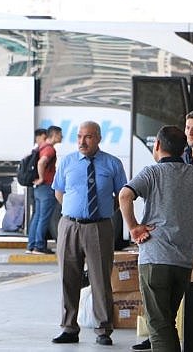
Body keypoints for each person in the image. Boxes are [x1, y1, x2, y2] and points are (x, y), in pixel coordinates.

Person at [119, 126, 193, 352]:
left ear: (157, 146)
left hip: (155, 258)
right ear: (183, 149)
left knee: (158, 324)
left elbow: (125, 195)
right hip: (183, 261)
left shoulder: (152, 173)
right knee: (166, 321)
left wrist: (133, 227)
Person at [51, 121, 127, 346]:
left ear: (99, 138)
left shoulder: (112, 164)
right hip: (70, 226)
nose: (83, 142)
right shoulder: (67, 162)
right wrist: (75, 211)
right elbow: (59, 192)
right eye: (79, 137)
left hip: (99, 227)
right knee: (68, 277)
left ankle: (103, 329)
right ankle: (69, 327)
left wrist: (99, 212)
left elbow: (121, 196)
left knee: (101, 278)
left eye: (89, 137)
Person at [26, 125, 62, 255]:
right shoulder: (50, 149)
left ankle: (31, 245)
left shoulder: (40, 147)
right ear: (54, 134)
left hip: (38, 189)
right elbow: (41, 163)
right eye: (60, 134)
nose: (61, 137)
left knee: (37, 216)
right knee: (44, 217)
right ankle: (39, 246)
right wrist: (42, 178)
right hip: (46, 187)